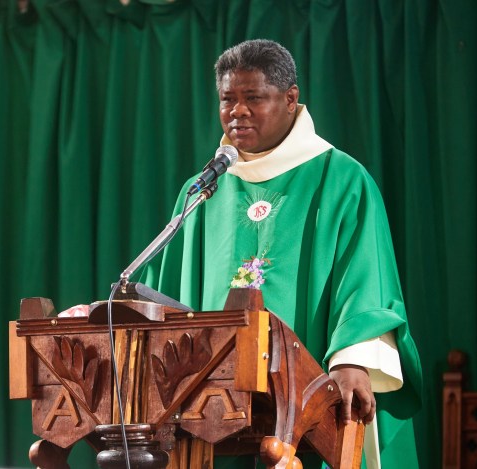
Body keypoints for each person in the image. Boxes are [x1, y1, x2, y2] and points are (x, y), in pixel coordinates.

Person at [143, 39, 422, 468]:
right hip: (211, 410)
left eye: (253, 98)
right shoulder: (201, 192)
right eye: (227, 99)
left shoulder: (341, 179)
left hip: (310, 406)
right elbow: (168, 299)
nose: (237, 111)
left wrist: (353, 360)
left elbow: (367, 282)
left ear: (291, 99)